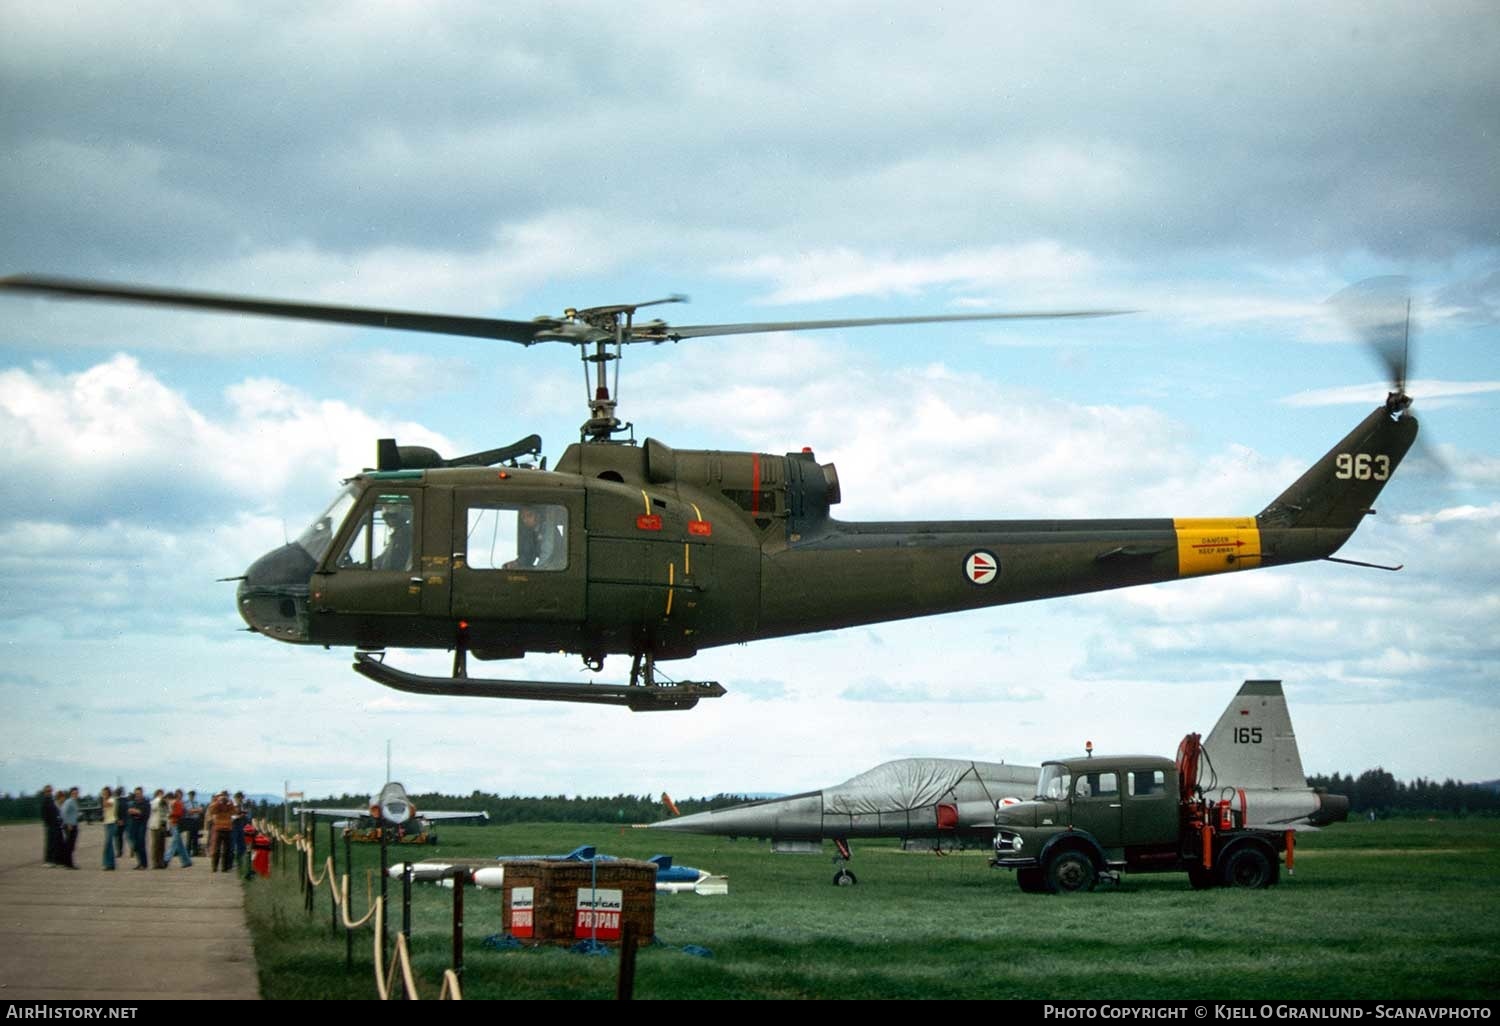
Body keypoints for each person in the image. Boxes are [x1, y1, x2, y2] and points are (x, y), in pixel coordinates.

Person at [166, 789, 192, 868]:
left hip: (175, 823)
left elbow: (179, 813)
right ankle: (186, 861)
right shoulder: (177, 803)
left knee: (175, 842)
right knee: (179, 844)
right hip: (175, 823)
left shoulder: (176, 803)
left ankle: (166, 859)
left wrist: (170, 815)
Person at [126, 787, 150, 869]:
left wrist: (137, 812)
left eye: (139, 794)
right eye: (136, 794)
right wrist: (134, 812)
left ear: (142, 793)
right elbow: (130, 813)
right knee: (135, 844)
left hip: (142, 824)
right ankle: (140, 862)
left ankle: (144, 864)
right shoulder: (133, 803)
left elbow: (146, 814)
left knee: (141, 843)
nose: (137, 795)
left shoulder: (146, 803)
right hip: (134, 824)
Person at [40, 785, 63, 867]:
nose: (49, 792)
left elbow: (56, 812)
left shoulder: (51, 800)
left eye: (50, 791)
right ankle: (47, 861)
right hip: (50, 825)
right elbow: (44, 814)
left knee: (55, 843)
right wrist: (48, 823)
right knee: (50, 843)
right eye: (48, 791)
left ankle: (54, 860)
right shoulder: (45, 801)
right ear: (45, 792)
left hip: (55, 825)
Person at [59, 787, 81, 869]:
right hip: (70, 826)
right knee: (69, 845)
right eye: (74, 793)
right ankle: (68, 864)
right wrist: (67, 823)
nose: (75, 794)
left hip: (74, 824)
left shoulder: (74, 802)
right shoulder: (69, 801)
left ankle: (67, 863)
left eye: (77, 793)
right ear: (71, 794)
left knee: (71, 846)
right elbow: (63, 812)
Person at [148, 789, 168, 869]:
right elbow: (154, 806)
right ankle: (155, 863)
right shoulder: (154, 802)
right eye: (160, 794)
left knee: (162, 845)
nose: (162, 796)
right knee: (155, 845)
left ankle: (161, 862)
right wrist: (160, 799)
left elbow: (168, 811)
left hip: (163, 825)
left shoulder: (164, 804)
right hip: (155, 825)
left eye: (162, 794)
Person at [100, 787, 117, 870]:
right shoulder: (107, 800)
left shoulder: (112, 800)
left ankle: (108, 863)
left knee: (108, 843)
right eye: (103, 793)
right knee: (109, 844)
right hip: (107, 823)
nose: (104, 794)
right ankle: (110, 864)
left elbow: (106, 804)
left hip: (112, 823)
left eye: (105, 792)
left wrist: (103, 798)